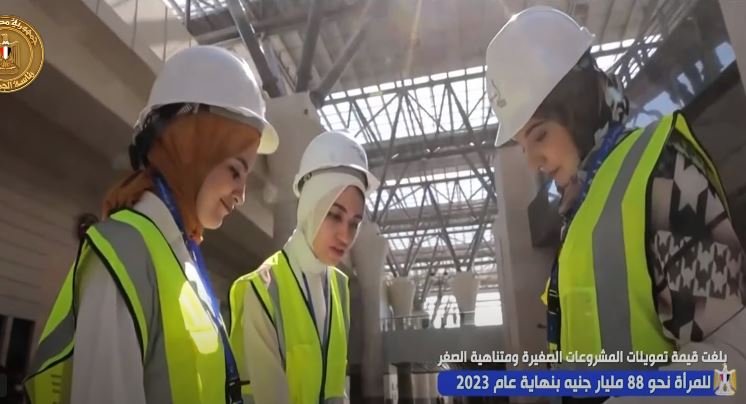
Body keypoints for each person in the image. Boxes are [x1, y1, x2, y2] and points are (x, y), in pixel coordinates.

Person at [485, 6, 745, 403]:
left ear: (579, 107)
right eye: (523, 145)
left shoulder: (663, 172)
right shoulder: (585, 208)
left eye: (539, 135)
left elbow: (732, 363)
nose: (533, 161)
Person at [24, 45, 278, 404]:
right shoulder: (124, 253)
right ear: (188, 150)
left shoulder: (180, 258)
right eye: (235, 171)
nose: (242, 195)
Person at [229, 131, 379, 404]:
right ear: (310, 207)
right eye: (334, 215)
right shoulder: (262, 290)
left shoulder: (339, 288)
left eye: (354, 223)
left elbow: (336, 387)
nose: (345, 235)